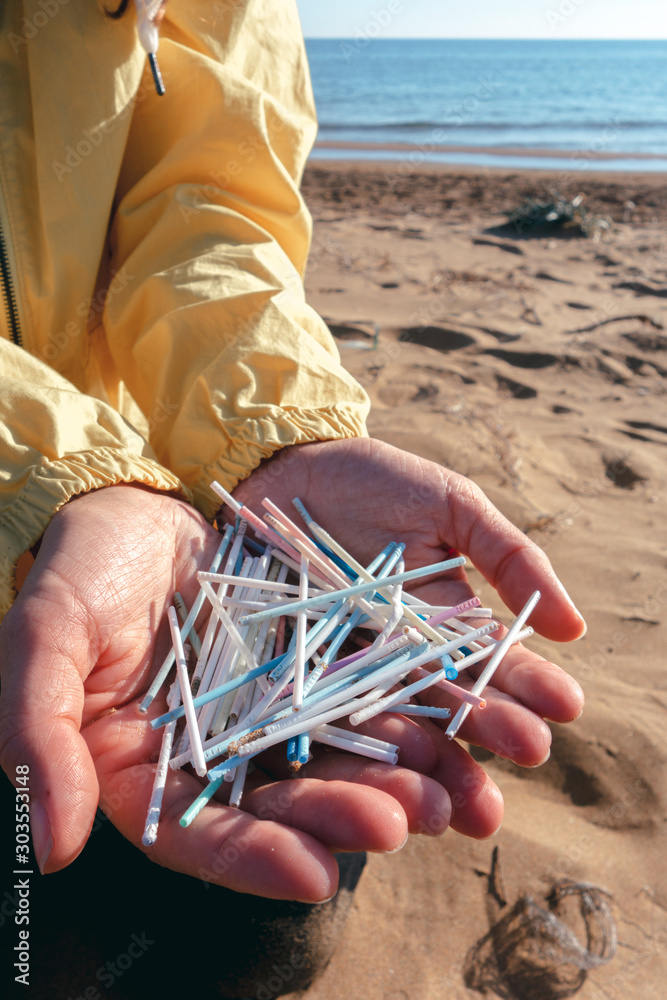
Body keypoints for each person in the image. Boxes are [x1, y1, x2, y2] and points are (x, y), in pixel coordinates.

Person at [0, 1, 586, 996]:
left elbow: (209, 203)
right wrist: (39, 481)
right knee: (35, 937)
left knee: (253, 925)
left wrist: (277, 434)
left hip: (149, 547)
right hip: (98, 561)